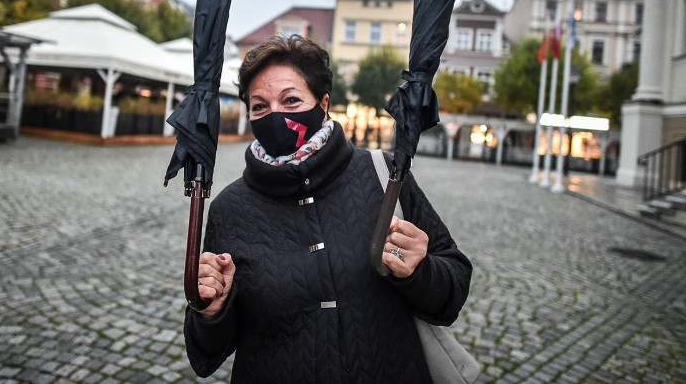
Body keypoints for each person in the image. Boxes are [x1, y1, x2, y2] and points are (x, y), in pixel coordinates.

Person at [184, 35, 472, 382]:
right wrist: (211, 311)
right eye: (259, 106)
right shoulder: (230, 208)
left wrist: (420, 271)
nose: (274, 115)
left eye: (291, 100)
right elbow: (207, 353)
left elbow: (452, 288)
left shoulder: (385, 175)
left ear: (323, 103)